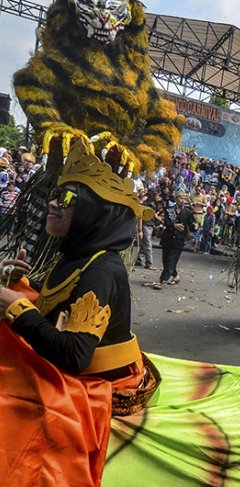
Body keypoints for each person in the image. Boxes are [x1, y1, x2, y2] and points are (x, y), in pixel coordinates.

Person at [0, 140, 159, 484]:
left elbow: (75, 355)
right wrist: (16, 284)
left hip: (99, 381)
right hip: (75, 366)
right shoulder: (77, 253)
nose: (54, 204)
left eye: (68, 198)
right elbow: (58, 308)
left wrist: (17, 308)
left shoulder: (101, 271)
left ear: (93, 211)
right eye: (56, 195)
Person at [154, 192, 196, 290]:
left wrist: (195, 227)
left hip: (178, 240)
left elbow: (191, 224)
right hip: (167, 238)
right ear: (176, 199)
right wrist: (174, 225)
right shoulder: (169, 210)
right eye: (180, 198)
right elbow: (166, 222)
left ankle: (161, 281)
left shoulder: (187, 212)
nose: (182, 200)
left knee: (171, 261)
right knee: (165, 260)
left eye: (184, 199)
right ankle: (176, 276)